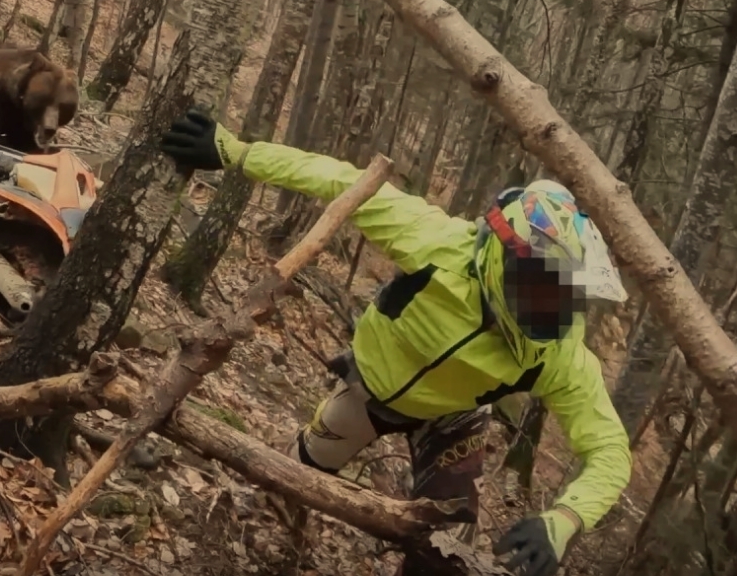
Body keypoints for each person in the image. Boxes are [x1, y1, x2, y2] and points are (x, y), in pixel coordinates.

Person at [159, 109, 631, 576]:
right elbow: (337, 179)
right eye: (539, 286)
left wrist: (565, 520)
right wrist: (237, 152)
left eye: (563, 294)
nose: (548, 306)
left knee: (445, 551)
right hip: (367, 387)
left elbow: (609, 449)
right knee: (293, 480)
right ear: (500, 258)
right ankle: (261, 547)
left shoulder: (560, 352)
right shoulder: (436, 243)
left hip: (452, 418)